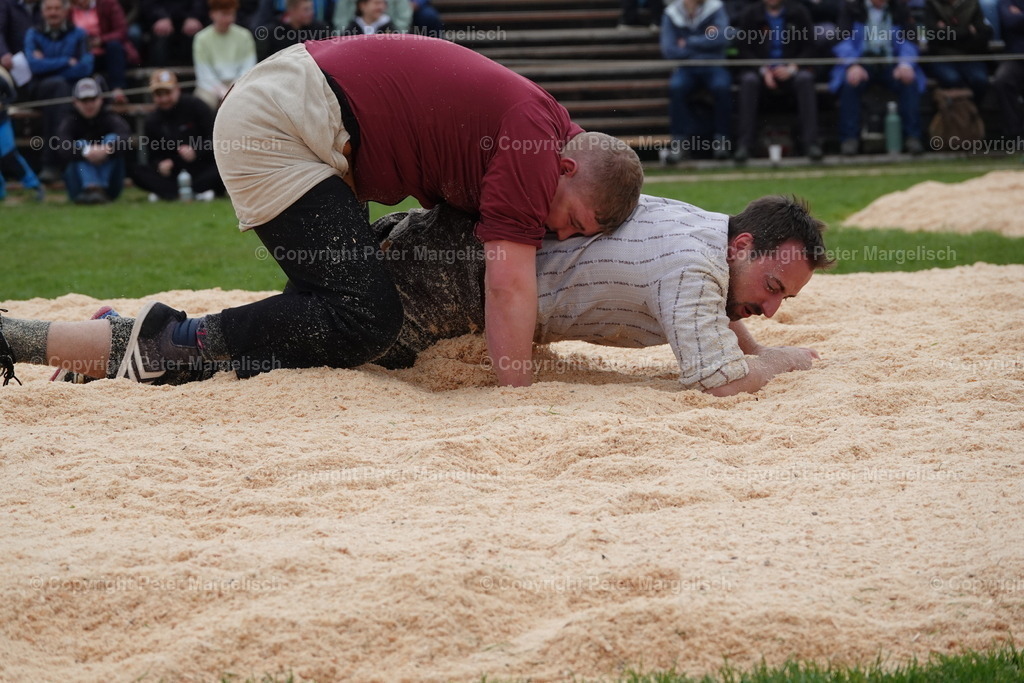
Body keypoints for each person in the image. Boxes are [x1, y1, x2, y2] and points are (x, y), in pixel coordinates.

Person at [0, 35, 644, 390]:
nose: (557, 233)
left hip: (299, 111)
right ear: (563, 169)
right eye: (573, 221)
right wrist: (517, 396)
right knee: (366, 316)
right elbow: (508, 285)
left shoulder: (539, 132)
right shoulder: (536, 144)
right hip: (284, 127)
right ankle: (161, 343)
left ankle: (106, 342)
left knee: (315, 329)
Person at [0, 194, 831, 395]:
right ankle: (37, 339)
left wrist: (756, 331)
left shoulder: (699, 233)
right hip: (441, 289)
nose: (769, 306)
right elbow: (716, 377)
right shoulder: (695, 268)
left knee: (268, 343)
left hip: (435, 253)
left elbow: (717, 313)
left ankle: (107, 335)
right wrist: (785, 359)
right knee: (247, 353)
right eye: (770, 286)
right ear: (743, 244)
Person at [831, 0, 926, 155]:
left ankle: (912, 137)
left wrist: (905, 64)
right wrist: (852, 64)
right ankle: (849, 139)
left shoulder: (900, 9)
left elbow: (910, 40)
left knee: (910, 81)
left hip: (892, 63)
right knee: (850, 83)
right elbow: (842, 40)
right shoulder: (852, 8)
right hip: (861, 62)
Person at [735, 0, 823, 162]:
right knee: (748, 81)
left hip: (791, 70)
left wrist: (792, 67)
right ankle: (744, 145)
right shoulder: (750, 15)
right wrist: (763, 69)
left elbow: (810, 46)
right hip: (760, 72)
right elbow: (743, 49)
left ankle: (811, 144)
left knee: (805, 79)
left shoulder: (798, 13)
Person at [24, 0, 93, 182]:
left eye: (56, 8)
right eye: (48, 8)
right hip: (40, 89)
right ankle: (64, 161)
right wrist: (65, 61)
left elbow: (86, 67)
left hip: (69, 89)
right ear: (42, 12)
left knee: (60, 91)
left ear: (65, 11)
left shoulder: (79, 34)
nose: (53, 12)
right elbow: (34, 66)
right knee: (59, 88)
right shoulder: (33, 34)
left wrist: (48, 64)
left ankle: (51, 163)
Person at [129, 69, 221, 201]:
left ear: (177, 90)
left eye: (167, 93)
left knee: (222, 169)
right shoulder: (152, 121)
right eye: (159, 94)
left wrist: (196, 151)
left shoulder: (196, 106)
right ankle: (187, 192)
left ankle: (172, 193)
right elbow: (152, 156)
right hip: (173, 173)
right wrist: (160, 165)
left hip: (201, 167)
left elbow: (216, 137)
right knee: (136, 170)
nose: (164, 99)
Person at [660, 0, 732, 163]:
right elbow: (669, 49)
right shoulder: (672, 13)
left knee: (722, 87)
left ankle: (722, 141)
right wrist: (704, 44)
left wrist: (689, 42)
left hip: (713, 65)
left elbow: (722, 38)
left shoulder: (715, 8)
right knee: (676, 88)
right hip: (686, 67)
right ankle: (679, 142)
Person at [54, 76, 130, 203]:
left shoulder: (110, 118)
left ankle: (98, 188)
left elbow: (125, 138)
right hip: (78, 188)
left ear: (100, 99)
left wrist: (106, 150)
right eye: (84, 100)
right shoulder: (69, 121)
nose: (89, 105)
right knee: (80, 144)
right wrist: (86, 152)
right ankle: (92, 187)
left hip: (110, 187)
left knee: (111, 139)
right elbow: (62, 147)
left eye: (93, 99)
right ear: (75, 102)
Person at [924, 0, 992, 102]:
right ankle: (957, 114)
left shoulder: (973, 4)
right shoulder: (932, 4)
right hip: (942, 57)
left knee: (980, 80)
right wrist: (967, 32)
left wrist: (947, 31)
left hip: (970, 57)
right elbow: (933, 35)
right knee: (951, 79)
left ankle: (970, 113)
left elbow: (985, 34)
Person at [192, 0, 255, 109]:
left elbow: (248, 67)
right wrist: (221, 91)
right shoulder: (201, 38)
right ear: (212, 14)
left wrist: (233, 87)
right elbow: (204, 72)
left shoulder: (245, 36)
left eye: (232, 14)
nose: (229, 18)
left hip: (239, 83)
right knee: (203, 103)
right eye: (224, 14)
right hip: (210, 86)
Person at [69, 0, 137, 102]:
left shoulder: (108, 4)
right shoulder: (69, 11)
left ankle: (117, 89)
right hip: (84, 54)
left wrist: (102, 40)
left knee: (114, 46)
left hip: (106, 52)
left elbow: (122, 31)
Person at [0, 64, 44, 201]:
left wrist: (2, 103)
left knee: (9, 155)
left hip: (2, 122)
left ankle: (34, 185)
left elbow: (12, 95)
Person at [139, 0, 205, 65]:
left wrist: (193, 16)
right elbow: (148, 4)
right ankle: (159, 72)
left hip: (190, 19)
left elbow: (199, 3)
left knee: (196, 35)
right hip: (158, 20)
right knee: (160, 35)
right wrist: (161, 16)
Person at [257, 0, 329, 59]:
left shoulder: (320, 29)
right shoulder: (273, 32)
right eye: (306, 10)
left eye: (311, 8)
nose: (311, 12)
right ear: (292, 10)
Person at [994, 0, 1023, 140]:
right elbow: (1010, 21)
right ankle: (1014, 134)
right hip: (1016, 57)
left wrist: (1020, 15)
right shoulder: (1006, 1)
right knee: (1003, 79)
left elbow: (1017, 21)